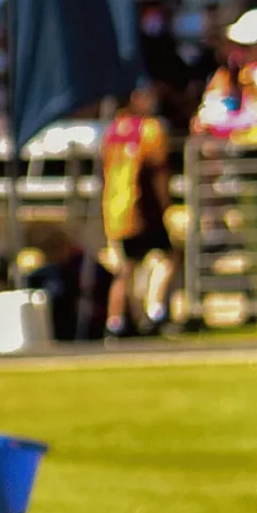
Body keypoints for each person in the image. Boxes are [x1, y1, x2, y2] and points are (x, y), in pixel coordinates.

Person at [102, 81, 175, 338]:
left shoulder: (112, 133)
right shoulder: (149, 130)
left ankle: (116, 320)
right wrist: (166, 203)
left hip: (116, 210)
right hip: (141, 207)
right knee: (166, 258)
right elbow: (158, 169)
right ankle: (155, 310)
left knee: (125, 269)